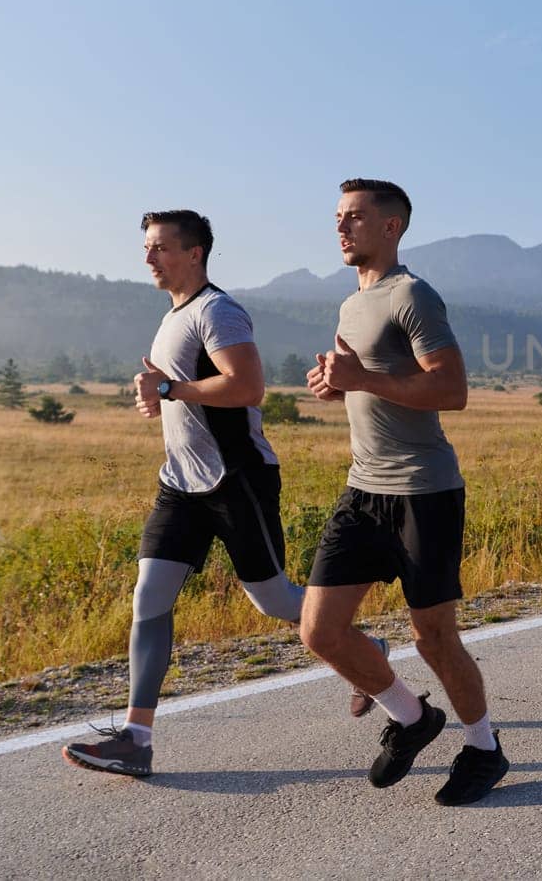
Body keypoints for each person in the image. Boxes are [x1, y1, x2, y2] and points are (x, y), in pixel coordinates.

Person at [64, 210, 380, 777]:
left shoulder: (218, 310)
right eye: (147, 247)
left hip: (236, 481)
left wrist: (169, 386)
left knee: (277, 601)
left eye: (160, 247)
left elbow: (247, 386)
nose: (149, 257)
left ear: (195, 253)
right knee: (149, 597)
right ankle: (137, 739)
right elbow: (183, 391)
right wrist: (159, 393)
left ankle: (369, 655)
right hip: (180, 483)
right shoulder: (172, 317)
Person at [299, 178, 509, 807]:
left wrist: (363, 376)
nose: (341, 228)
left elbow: (451, 390)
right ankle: (412, 716)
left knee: (433, 638)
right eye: (338, 217)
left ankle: (483, 747)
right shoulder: (349, 305)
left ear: (390, 227)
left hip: (424, 492)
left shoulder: (413, 296)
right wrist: (342, 387)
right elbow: (377, 383)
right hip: (363, 490)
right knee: (320, 631)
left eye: (355, 218)